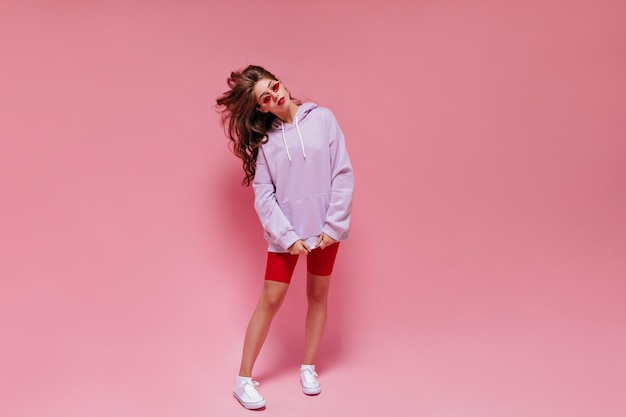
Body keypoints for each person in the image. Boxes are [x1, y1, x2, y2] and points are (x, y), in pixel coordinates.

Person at [216, 65, 354, 410]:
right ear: (261, 108)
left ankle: (308, 367)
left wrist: (332, 227)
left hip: (326, 231)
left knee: (317, 295)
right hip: (286, 235)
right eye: (266, 97)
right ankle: (242, 380)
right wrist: (287, 236)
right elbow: (264, 195)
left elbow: (342, 173)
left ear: (280, 82)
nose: (276, 95)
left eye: (274, 86)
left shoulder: (323, 119)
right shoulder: (267, 143)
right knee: (270, 300)